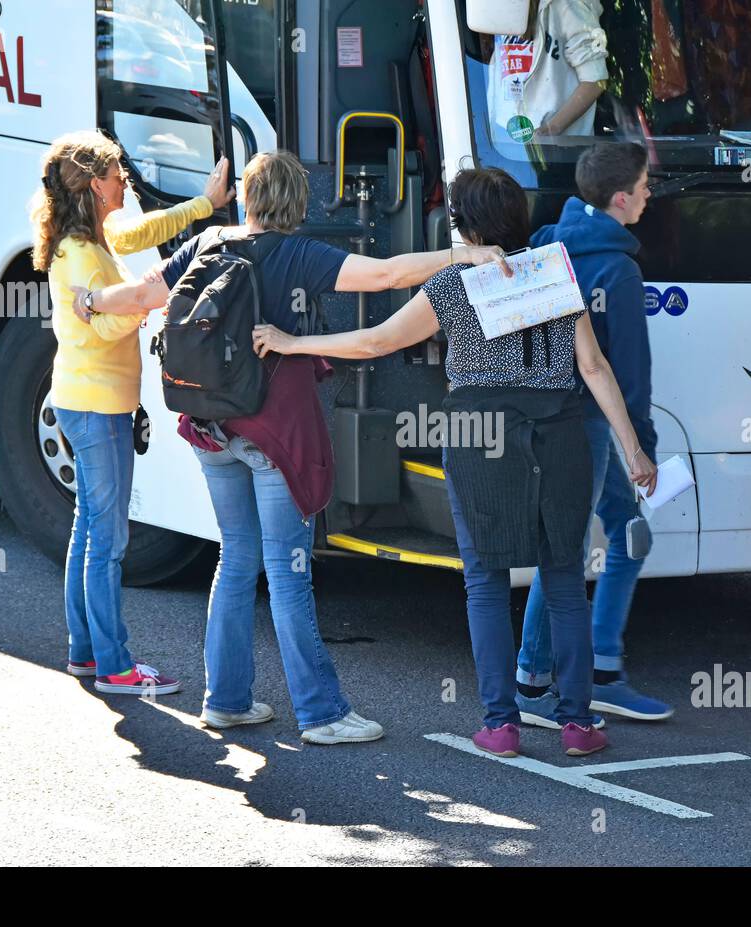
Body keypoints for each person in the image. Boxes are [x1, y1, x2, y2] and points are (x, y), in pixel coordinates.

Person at [78, 150, 508, 744]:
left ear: (249, 200)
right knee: (288, 570)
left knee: (235, 558)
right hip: (272, 434)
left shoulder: (208, 244)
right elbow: (387, 274)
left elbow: (141, 297)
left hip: (208, 429)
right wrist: (464, 255)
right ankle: (321, 713)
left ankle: (226, 699)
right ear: (297, 205)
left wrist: (87, 302)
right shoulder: (298, 254)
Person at [252, 167, 657, 759]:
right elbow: (594, 368)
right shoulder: (554, 270)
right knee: (565, 580)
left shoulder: (453, 285)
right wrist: (633, 449)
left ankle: (502, 724)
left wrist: (294, 344)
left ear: (463, 225)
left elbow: (374, 343)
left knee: (485, 583)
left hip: (480, 436)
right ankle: (576, 724)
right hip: (561, 436)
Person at [32, 130, 235, 696]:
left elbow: (129, 263)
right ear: (96, 186)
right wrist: (152, 301)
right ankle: (116, 666)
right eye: (118, 175)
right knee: (110, 540)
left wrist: (142, 299)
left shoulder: (87, 244)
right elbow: (104, 323)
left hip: (87, 401)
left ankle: (85, 653)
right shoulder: (84, 255)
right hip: (97, 407)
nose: (126, 182)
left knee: (89, 529)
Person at [515, 142, 672, 727]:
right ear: (622, 197)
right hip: (593, 427)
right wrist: (644, 448)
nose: (651, 195)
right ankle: (535, 683)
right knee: (574, 551)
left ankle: (600, 669)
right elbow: (629, 373)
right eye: (645, 186)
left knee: (623, 535)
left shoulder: (545, 245)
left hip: (545, 416)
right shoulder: (620, 270)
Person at [485, 0, 609, 142]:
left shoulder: (570, 5)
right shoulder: (503, 6)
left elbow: (596, 81)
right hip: (503, 140)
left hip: (556, 150)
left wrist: (551, 129)